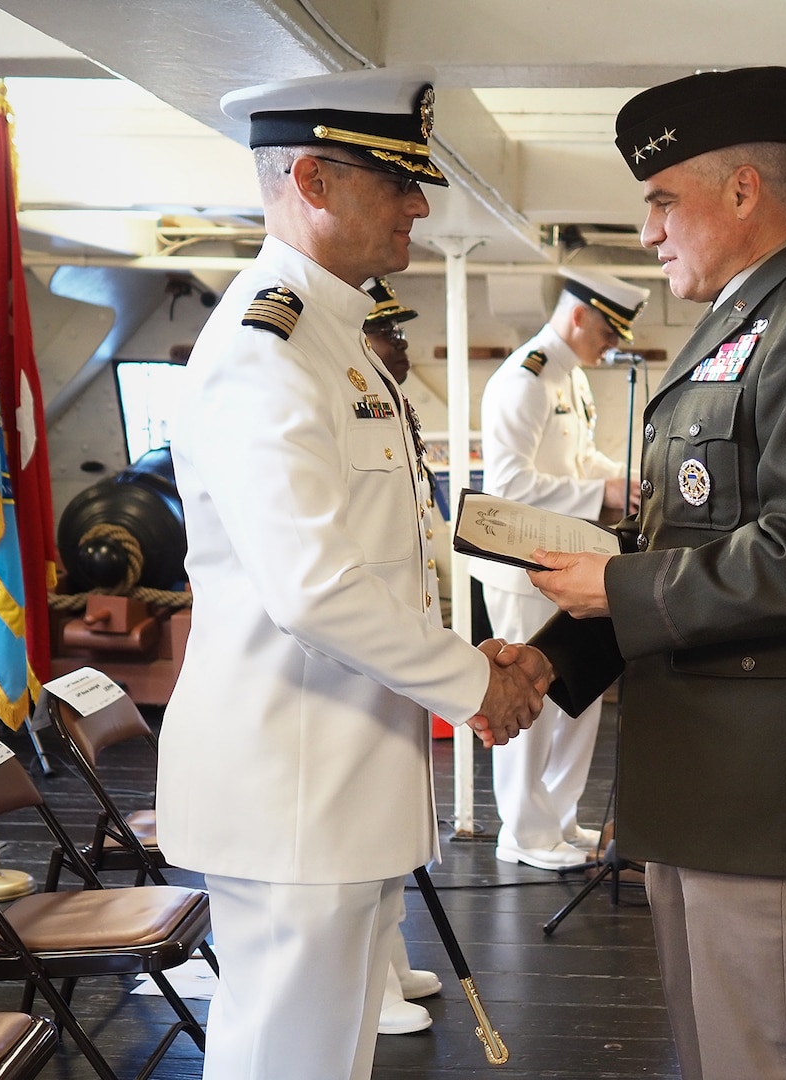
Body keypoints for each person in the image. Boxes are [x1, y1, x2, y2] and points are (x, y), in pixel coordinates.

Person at [513, 67, 786, 1079]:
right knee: (718, 1055)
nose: (649, 232)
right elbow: (685, 540)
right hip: (707, 773)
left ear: (745, 190)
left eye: (663, 201)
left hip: (769, 783)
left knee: (770, 1057)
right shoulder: (742, 335)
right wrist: (546, 663)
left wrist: (610, 591)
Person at [153, 67, 544, 1080]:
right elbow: (316, 588)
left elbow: (386, 566)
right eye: (398, 180)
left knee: (321, 1057)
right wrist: (476, 686)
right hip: (290, 788)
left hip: (333, 781)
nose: (421, 204)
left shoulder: (337, 337)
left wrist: (468, 657)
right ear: (317, 181)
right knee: (286, 1060)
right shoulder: (266, 351)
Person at [473, 267, 649, 870]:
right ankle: (522, 831)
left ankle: (561, 820)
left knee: (579, 690)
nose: (611, 345)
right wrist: (602, 494)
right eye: (606, 331)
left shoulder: (568, 377)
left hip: (572, 558)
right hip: (525, 566)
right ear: (578, 317)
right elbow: (510, 485)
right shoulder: (524, 380)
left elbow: (577, 458)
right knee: (529, 696)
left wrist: (622, 480)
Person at [358, 274, 445, 1034]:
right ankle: (372, 989)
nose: (403, 345)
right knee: (365, 837)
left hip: (395, 662)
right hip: (354, 673)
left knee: (388, 835)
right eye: (391, 333)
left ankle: (387, 961)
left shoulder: (391, 406)